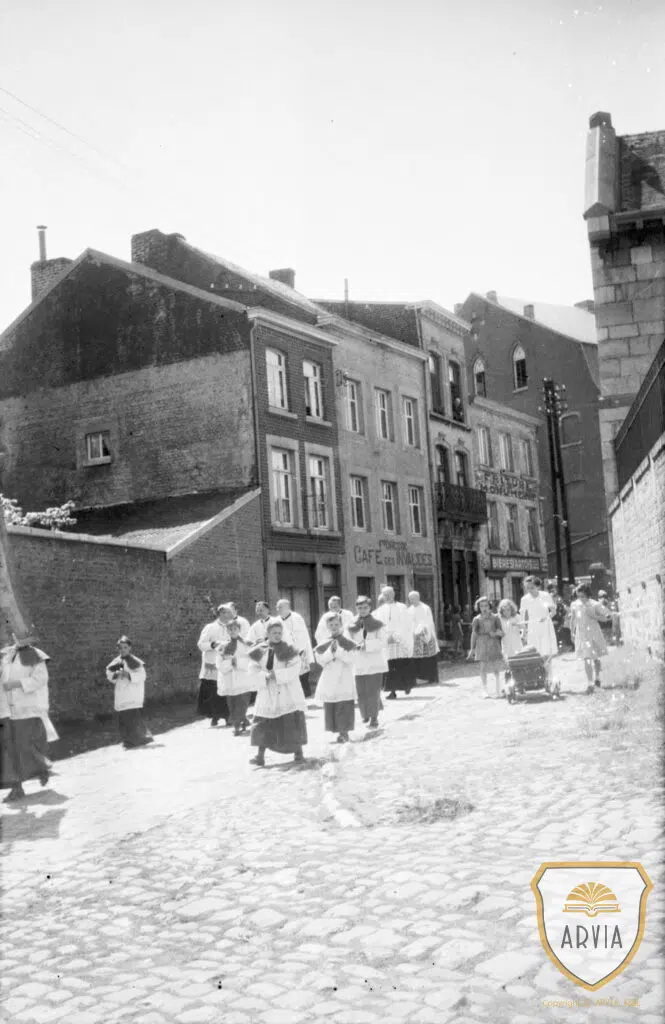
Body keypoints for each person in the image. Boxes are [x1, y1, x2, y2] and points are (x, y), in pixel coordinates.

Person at [1, 633, 56, 802]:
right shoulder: (8, 655)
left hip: (24, 707)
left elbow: (40, 679)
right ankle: (17, 787)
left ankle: (40, 768)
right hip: (8, 708)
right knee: (10, 749)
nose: (18, 638)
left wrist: (17, 684)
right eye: (15, 635)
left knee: (23, 745)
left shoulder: (36, 655)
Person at [247, 619, 307, 767]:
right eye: (274, 633)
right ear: (267, 633)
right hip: (267, 689)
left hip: (285, 690)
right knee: (263, 722)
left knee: (290, 721)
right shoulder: (259, 650)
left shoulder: (289, 650)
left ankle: (298, 752)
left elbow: (295, 668)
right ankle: (260, 756)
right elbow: (253, 668)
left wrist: (278, 674)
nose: (277, 635)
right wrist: (264, 676)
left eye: (280, 633)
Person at [313, 612, 358, 743]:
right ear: (327, 626)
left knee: (344, 704)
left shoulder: (348, 642)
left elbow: (351, 658)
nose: (334, 627)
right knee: (332, 704)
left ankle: (344, 732)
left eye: (336, 624)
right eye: (331, 625)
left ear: (341, 625)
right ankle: (338, 731)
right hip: (330, 675)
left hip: (344, 675)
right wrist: (330, 653)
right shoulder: (324, 642)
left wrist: (338, 652)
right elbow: (321, 660)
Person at [105, 636, 153, 749]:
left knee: (133, 718)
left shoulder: (136, 662)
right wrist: (116, 674)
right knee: (123, 719)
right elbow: (109, 674)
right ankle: (127, 741)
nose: (123, 650)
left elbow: (142, 676)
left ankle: (139, 739)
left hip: (132, 693)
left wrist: (128, 675)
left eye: (125, 647)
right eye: (120, 648)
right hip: (121, 694)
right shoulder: (115, 662)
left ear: (130, 648)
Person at [348, 596, 388, 729]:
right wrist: (353, 645)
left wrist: (367, 645)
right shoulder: (352, 623)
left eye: (365, 608)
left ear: (370, 608)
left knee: (373, 691)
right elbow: (348, 639)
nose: (362, 610)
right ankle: (365, 713)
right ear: (356, 608)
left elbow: (383, 641)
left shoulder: (378, 623)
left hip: (374, 662)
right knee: (361, 691)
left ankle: (374, 717)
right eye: (359, 608)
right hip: (359, 662)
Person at [196, 604, 237, 727]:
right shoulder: (210, 627)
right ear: (219, 614)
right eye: (223, 613)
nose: (226, 615)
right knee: (213, 692)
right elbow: (201, 644)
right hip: (212, 664)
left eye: (228, 613)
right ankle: (215, 716)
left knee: (227, 690)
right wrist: (213, 645)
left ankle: (228, 716)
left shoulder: (232, 627)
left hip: (226, 663)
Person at [375, 586, 415, 699]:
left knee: (402, 663)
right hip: (387, 641)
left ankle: (407, 685)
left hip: (400, 640)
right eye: (385, 595)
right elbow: (379, 624)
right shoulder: (381, 610)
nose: (387, 597)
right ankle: (392, 690)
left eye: (389, 594)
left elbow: (406, 624)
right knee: (390, 665)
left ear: (393, 594)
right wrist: (386, 637)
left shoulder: (402, 607)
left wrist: (396, 636)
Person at [570, 584, 612, 690]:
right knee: (587, 658)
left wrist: (594, 616)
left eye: (583, 596)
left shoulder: (595, 604)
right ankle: (590, 683)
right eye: (579, 596)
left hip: (594, 633)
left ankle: (597, 677)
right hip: (582, 634)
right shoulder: (574, 605)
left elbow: (607, 617)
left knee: (596, 658)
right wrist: (572, 632)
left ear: (588, 595)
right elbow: (573, 619)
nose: (581, 599)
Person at [216, 620, 255, 735]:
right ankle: (241, 721)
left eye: (235, 629)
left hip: (243, 677)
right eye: (230, 629)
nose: (233, 631)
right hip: (229, 678)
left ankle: (238, 724)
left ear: (239, 630)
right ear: (227, 630)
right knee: (232, 703)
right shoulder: (222, 646)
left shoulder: (246, 644)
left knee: (242, 702)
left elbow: (251, 660)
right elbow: (219, 663)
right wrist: (229, 664)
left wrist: (237, 662)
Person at [276, 599, 314, 698]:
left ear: (287, 607)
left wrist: (298, 650)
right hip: (284, 651)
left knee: (302, 673)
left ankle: (306, 695)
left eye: (280, 607)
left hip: (298, 649)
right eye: (277, 607)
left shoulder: (296, 618)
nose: (278, 609)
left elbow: (301, 635)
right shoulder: (277, 620)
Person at [468, 596, 504, 699]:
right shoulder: (477, 619)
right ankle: (485, 690)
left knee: (495, 667)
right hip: (482, 643)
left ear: (489, 606)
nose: (484, 608)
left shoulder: (495, 618)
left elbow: (501, 632)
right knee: (483, 667)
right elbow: (474, 634)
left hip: (493, 643)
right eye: (481, 606)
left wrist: (496, 633)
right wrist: (472, 649)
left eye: (486, 606)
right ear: (478, 607)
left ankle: (498, 689)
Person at [519, 576, 558, 659]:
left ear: (538, 586)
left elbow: (553, 612)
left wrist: (546, 617)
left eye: (532, 588)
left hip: (545, 626)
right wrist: (524, 631)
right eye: (527, 588)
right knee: (535, 652)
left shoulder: (545, 596)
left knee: (547, 652)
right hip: (533, 628)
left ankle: (548, 667)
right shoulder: (524, 599)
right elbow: (523, 618)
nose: (530, 590)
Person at [407, 591, 440, 684]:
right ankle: (418, 678)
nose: (411, 601)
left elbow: (429, 622)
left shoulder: (425, 608)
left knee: (429, 657)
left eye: (413, 599)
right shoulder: (409, 610)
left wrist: (421, 630)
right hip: (414, 637)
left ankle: (431, 678)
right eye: (410, 599)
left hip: (426, 635)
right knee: (416, 658)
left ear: (418, 598)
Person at [497, 598, 524, 690]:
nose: (506, 612)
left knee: (518, 663)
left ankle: (520, 685)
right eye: (504, 610)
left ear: (511, 609)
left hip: (516, 643)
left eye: (508, 610)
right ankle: (508, 686)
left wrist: (517, 625)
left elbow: (523, 627)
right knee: (508, 665)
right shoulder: (500, 619)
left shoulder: (516, 617)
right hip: (506, 644)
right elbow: (497, 630)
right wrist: (499, 633)